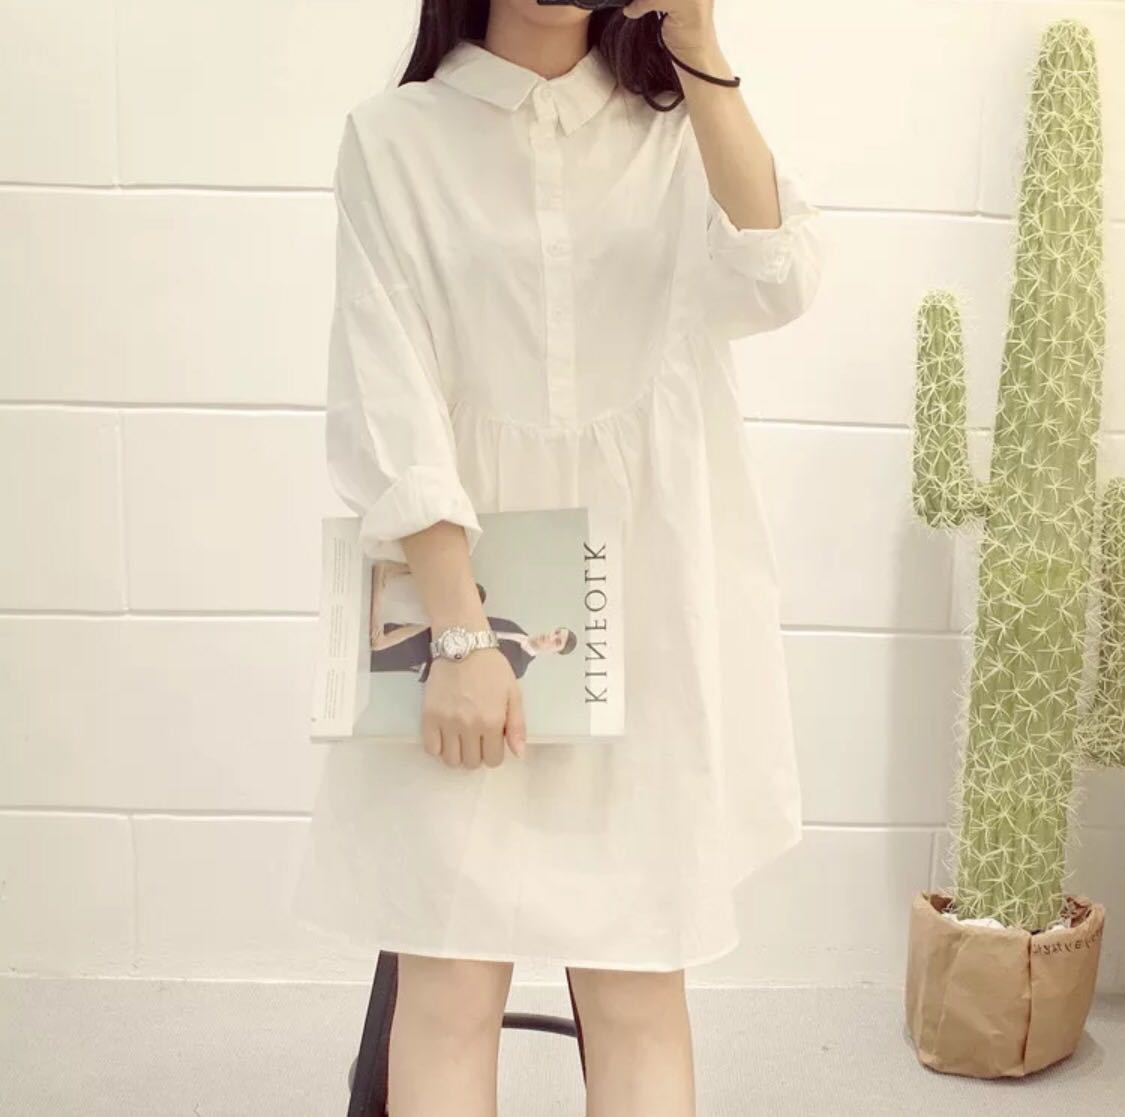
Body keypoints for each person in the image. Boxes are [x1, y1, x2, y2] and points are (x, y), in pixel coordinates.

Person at [291, 1, 825, 1114]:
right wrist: (460, 634)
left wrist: (700, 50)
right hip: (462, 611)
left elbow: (778, 276)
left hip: (651, 610)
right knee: (448, 984)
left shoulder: (676, 131)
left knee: (636, 985)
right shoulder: (396, 139)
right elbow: (391, 402)